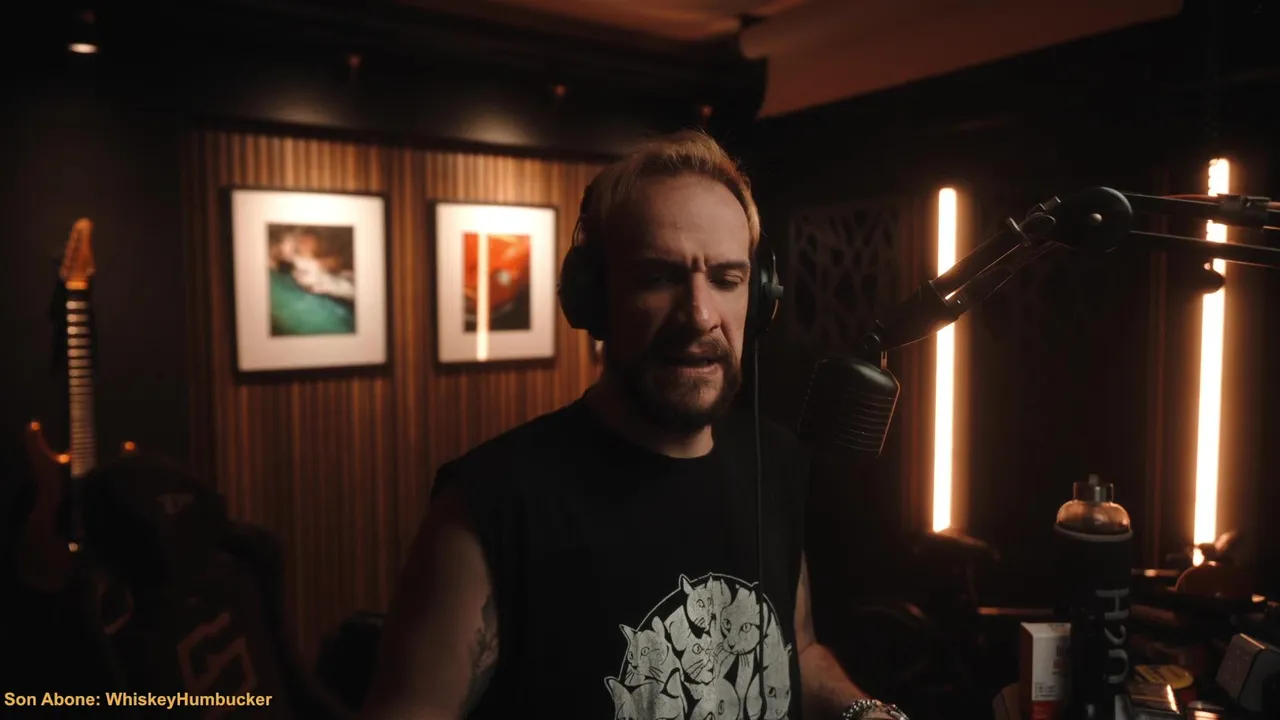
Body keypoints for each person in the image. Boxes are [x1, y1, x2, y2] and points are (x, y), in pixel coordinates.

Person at [362, 130, 906, 720]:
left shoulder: (774, 461)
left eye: (726, 279)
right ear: (593, 298)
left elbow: (794, 650)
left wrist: (865, 712)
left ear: (760, 296)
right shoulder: (490, 506)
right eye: (658, 277)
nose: (699, 314)